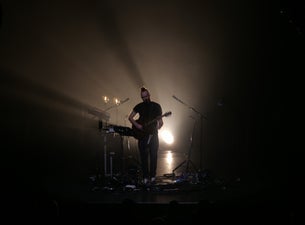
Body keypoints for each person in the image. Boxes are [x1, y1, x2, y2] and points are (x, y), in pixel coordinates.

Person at [128, 87, 163, 185]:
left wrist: (159, 125)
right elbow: (130, 117)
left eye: (146, 96)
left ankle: (152, 176)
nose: (145, 98)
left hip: (154, 134)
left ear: (149, 95)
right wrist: (137, 125)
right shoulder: (139, 106)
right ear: (141, 97)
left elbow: (161, 122)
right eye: (143, 97)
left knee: (153, 156)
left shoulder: (156, 106)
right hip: (142, 135)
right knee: (143, 157)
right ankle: (145, 177)